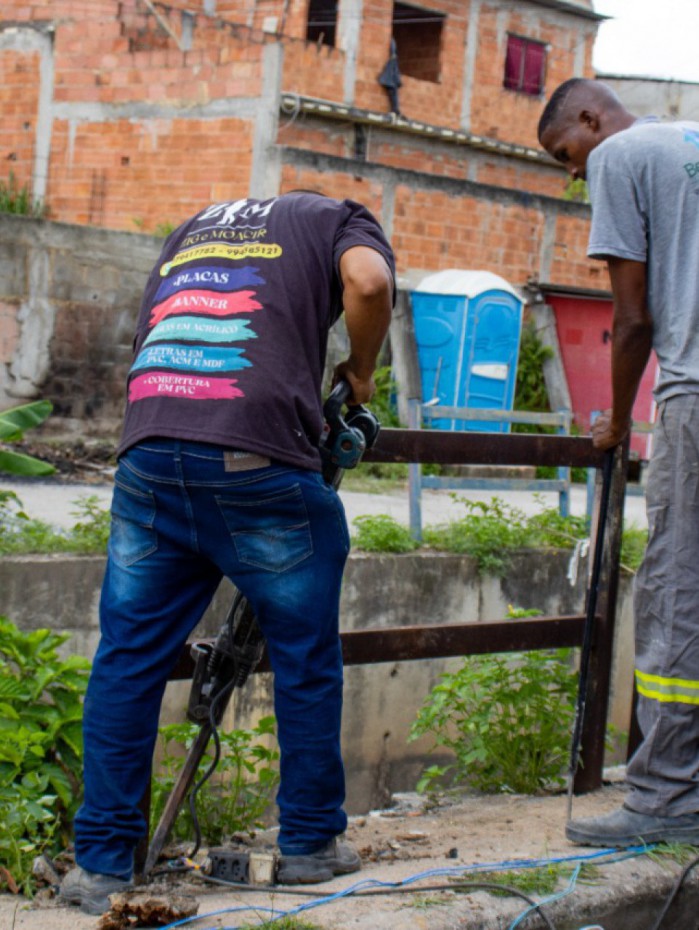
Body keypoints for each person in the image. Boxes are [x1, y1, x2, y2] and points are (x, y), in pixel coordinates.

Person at [58, 191, 395, 914]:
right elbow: (369, 283)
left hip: (150, 446)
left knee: (127, 657)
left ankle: (101, 867)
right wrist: (362, 371)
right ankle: (309, 841)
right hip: (253, 456)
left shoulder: (193, 229)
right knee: (303, 652)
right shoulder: (343, 218)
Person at [538, 78, 699, 848]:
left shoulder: (619, 156)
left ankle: (666, 796)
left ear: (588, 117)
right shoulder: (690, 140)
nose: (573, 173)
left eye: (563, 153)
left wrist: (616, 420)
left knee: (675, 589)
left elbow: (632, 317)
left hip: (693, 391)